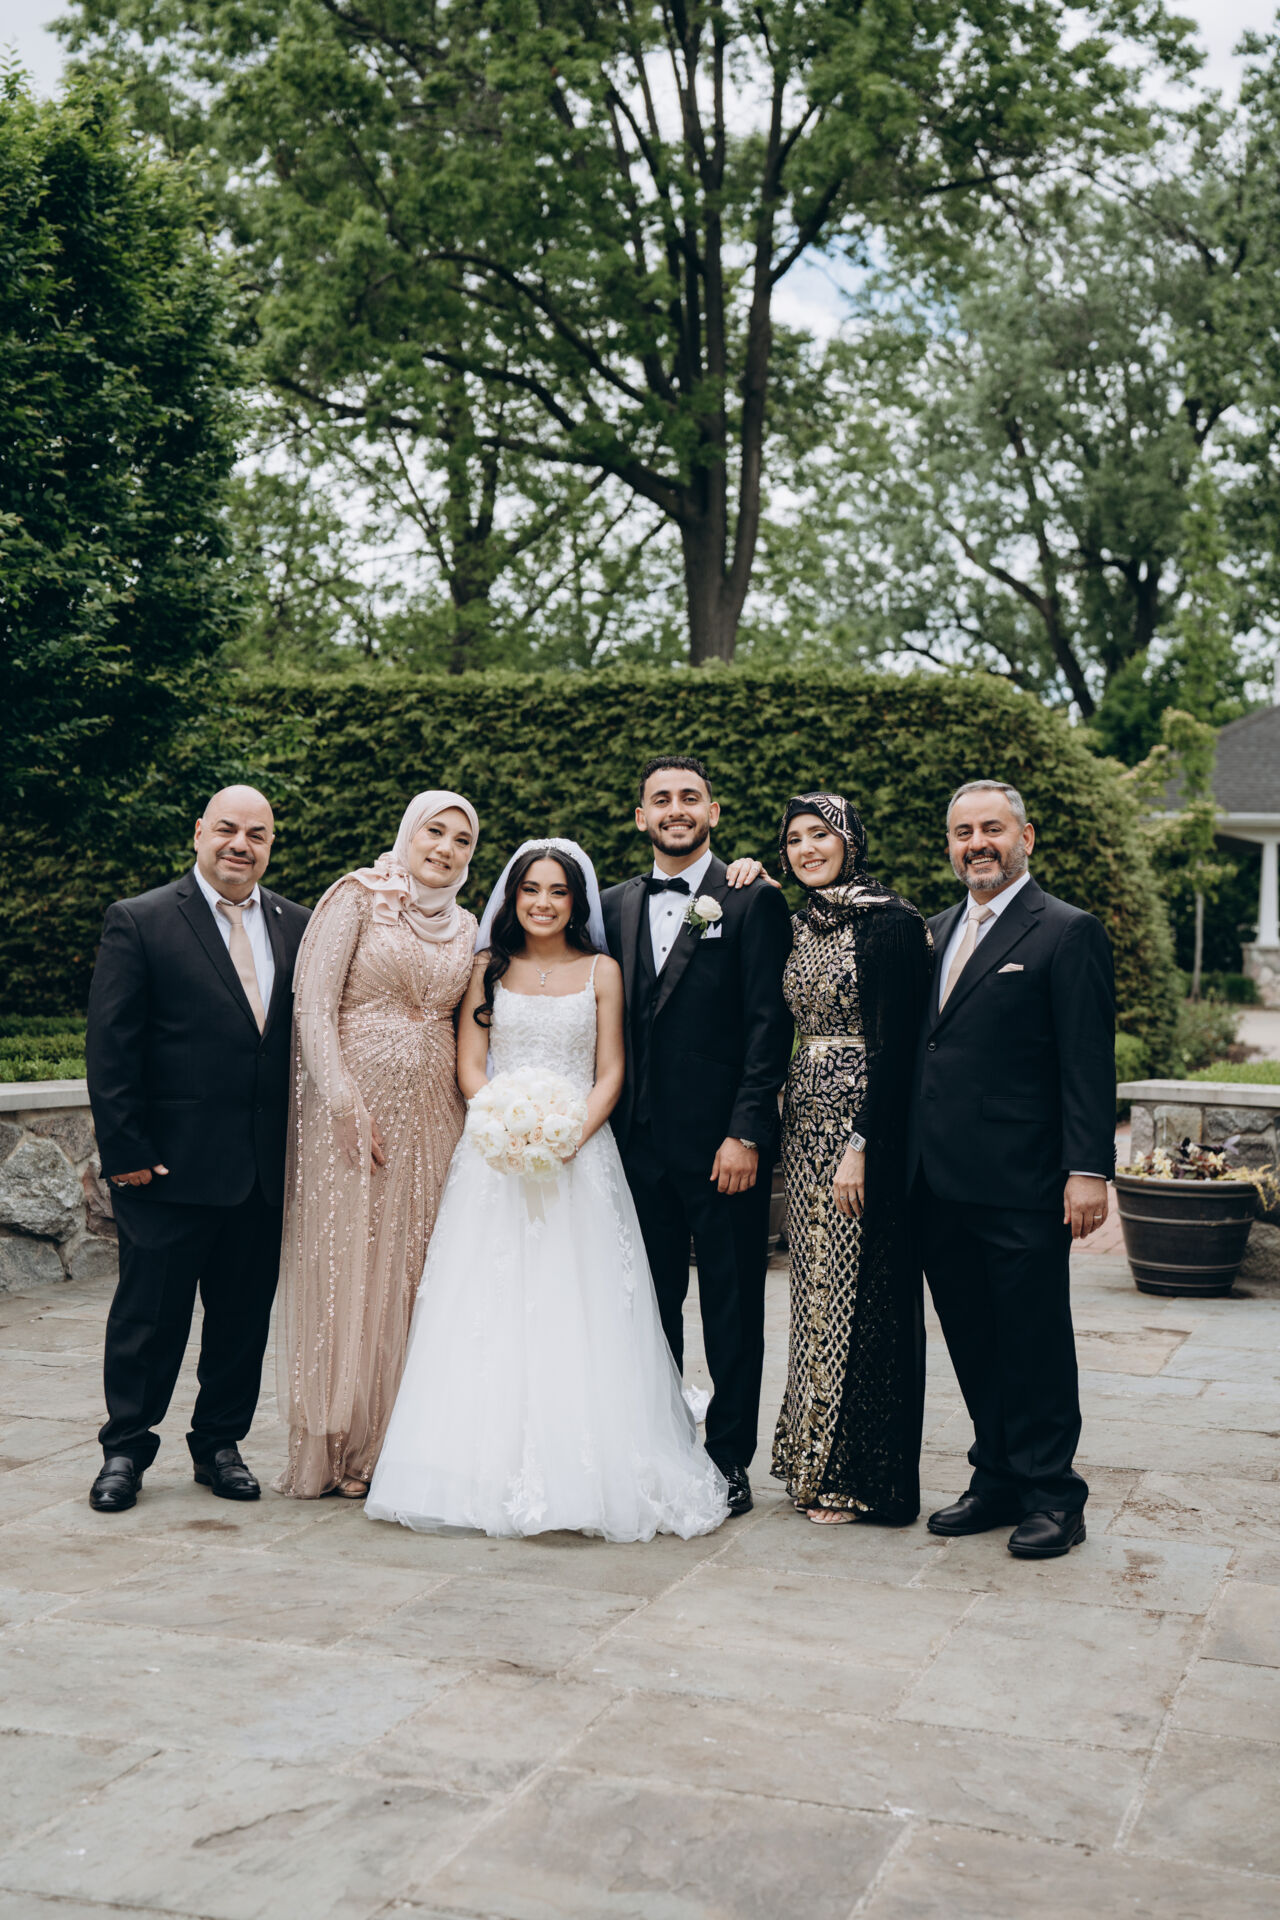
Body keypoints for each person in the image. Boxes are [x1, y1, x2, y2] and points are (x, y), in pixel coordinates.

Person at [365, 841, 728, 1541]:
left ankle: (588, 1465)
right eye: (531, 889)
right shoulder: (486, 969)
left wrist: (566, 1136)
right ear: (513, 897)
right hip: (494, 1158)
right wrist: (504, 1122)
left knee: (580, 1300)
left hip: (579, 1157)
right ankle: (472, 1464)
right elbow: (471, 1066)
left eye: (558, 892)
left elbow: (610, 1071)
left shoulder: (602, 971)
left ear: (575, 903)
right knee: (486, 1303)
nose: (542, 902)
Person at [84, 787, 311, 1512]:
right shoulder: (142, 919)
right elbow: (111, 1045)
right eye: (228, 829)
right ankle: (125, 1448)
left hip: (261, 1171)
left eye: (258, 834)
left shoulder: (300, 925)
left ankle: (219, 1444)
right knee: (149, 1318)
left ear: (270, 845)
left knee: (242, 1320)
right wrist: (125, 1150)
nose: (241, 844)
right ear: (199, 833)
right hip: (166, 1169)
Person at [906, 779, 1115, 1559]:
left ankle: (1053, 1494)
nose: (977, 844)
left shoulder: (1066, 930)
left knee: (1033, 1341)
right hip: (938, 1182)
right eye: (963, 833)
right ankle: (995, 1476)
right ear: (950, 846)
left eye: (992, 829)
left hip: (1024, 1181)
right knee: (971, 1337)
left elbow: (1086, 1060)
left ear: (1026, 839)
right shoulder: (932, 932)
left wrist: (1087, 1169)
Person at [600, 758, 793, 1518]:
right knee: (648, 1307)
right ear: (640, 816)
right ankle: (662, 1445)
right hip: (633, 1146)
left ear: (713, 812)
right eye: (661, 799)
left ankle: (728, 1458)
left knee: (732, 1307)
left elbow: (768, 1025)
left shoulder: (750, 899)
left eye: (689, 798)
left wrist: (747, 1130)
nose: (675, 809)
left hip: (722, 1151)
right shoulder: (612, 904)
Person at [274, 790, 480, 1499]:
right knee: (348, 1272)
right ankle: (331, 1446)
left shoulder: (467, 924)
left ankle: (386, 1446)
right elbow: (313, 1005)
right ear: (408, 833)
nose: (445, 848)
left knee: (411, 1277)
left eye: (461, 840)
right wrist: (342, 1102)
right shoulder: (358, 897)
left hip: (437, 1117)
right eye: (434, 831)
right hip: (355, 1116)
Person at [772, 794, 934, 1526]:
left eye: (822, 834)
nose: (808, 848)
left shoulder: (889, 923)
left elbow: (899, 1049)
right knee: (814, 1293)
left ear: (851, 841)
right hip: (805, 1127)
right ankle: (812, 1461)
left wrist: (861, 1147)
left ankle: (865, 1478)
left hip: (864, 1132)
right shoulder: (801, 923)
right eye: (795, 839)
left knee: (865, 1297)